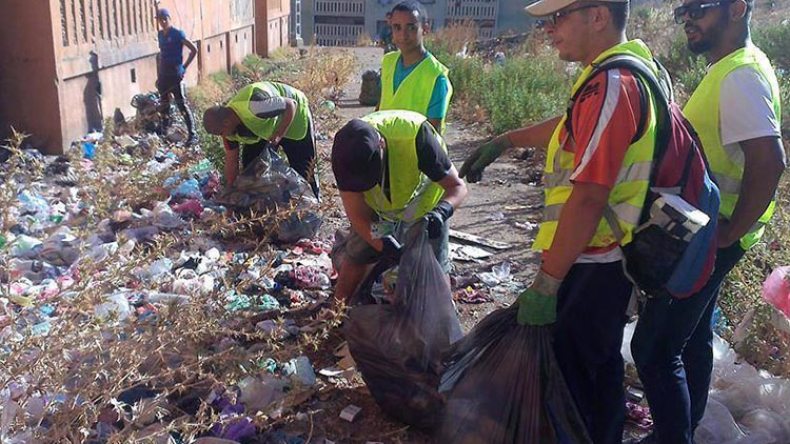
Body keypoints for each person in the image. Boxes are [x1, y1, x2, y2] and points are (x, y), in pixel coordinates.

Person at [460, 0, 663, 442]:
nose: (549, 30)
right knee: (600, 366)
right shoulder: (619, 75)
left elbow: (589, 197)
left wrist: (548, 283)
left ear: (597, 16)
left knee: (577, 379)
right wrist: (508, 139)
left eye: (558, 18)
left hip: (594, 259)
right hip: (597, 257)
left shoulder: (614, 84)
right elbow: (572, 126)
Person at [630, 0, 785, 442]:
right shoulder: (731, 68)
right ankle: (685, 428)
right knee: (691, 339)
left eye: (698, 9)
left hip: (714, 235)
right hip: (707, 231)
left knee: (653, 348)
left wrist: (731, 232)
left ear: (737, 8)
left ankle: (671, 437)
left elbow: (769, 159)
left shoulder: (740, 75)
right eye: (682, 13)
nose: (687, 21)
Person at [331, 110, 467, 302]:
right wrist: (382, 242)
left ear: (381, 145)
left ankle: (440, 323)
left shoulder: (416, 136)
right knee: (358, 252)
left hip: (426, 209)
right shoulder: (345, 156)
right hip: (382, 211)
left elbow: (458, 187)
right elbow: (358, 214)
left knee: (434, 265)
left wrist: (441, 212)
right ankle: (336, 312)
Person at [202, 81, 320, 199]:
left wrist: (279, 134)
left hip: (296, 117)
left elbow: (291, 104)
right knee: (252, 171)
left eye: (220, 133)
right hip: (265, 129)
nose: (222, 136)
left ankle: (312, 205)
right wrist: (230, 191)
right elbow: (232, 161)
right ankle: (266, 205)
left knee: (304, 169)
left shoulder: (255, 106)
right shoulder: (229, 128)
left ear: (226, 123)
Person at [378, 1, 453, 134]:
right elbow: (381, 107)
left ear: (425, 29)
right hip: (386, 150)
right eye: (397, 27)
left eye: (411, 28)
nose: (403, 35)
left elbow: (431, 134)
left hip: (415, 152)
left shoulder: (435, 76)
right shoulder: (388, 62)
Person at [155, 6, 198, 145]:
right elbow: (161, 55)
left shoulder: (178, 34)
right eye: (160, 20)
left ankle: (192, 134)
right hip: (163, 75)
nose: (162, 22)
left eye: (164, 19)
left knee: (181, 104)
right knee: (164, 104)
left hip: (175, 75)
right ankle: (165, 133)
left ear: (169, 19)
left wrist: (183, 68)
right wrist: (159, 75)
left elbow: (194, 50)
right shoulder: (160, 35)